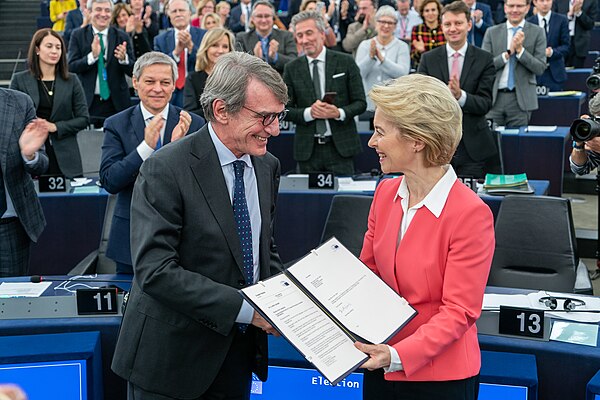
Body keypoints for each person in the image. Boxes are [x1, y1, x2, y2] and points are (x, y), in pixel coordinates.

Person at [111, 51, 287, 399]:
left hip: (236, 357)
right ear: (221, 110)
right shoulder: (167, 168)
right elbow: (156, 270)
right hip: (171, 362)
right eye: (265, 117)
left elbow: (262, 248)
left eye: (279, 116)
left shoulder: (268, 166)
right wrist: (248, 311)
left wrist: (290, 298)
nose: (276, 130)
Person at [355, 73, 495, 400]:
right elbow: (367, 276)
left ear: (417, 140)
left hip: (439, 380)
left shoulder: (470, 213)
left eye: (380, 132)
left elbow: (459, 312)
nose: (372, 142)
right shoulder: (385, 193)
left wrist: (397, 356)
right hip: (378, 363)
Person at [100, 52, 205, 274]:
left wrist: (177, 148)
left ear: (174, 85)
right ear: (136, 83)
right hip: (131, 236)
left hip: (184, 236)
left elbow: (204, 182)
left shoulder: (194, 124)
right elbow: (110, 180)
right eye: (150, 81)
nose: (157, 88)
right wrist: (146, 148)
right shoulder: (116, 124)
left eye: (165, 82)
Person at [419, 0, 496, 178]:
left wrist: (460, 96)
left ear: (469, 25)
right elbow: (420, 101)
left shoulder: (484, 59)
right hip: (436, 147)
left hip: (473, 148)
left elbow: (485, 103)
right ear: (442, 27)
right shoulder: (428, 59)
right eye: (447, 24)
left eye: (458, 23)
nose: (453, 28)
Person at [284, 11, 367, 175]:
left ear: (322, 34)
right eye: (299, 35)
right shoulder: (291, 68)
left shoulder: (346, 62)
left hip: (341, 148)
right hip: (307, 151)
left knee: (342, 199)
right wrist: (309, 113)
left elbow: (360, 102)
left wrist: (339, 112)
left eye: (309, 33)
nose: (304, 40)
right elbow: (284, 109)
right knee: (307, 201)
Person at [10, 29, 89, 179]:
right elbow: (12, 119)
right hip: (32, 154)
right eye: (49, 46)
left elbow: (83, 118)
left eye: (58, 48)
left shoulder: (72, 80)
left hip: (66, 156)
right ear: (38, 50)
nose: (55, 51)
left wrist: (55, 127)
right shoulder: (19, 80)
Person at [0, 88, 49, 277]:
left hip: (9, 225)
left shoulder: (19, 103)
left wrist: (29, 154)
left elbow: (41, 164)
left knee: (11, 300)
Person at [68, 0, 135, 127]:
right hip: (88, 101)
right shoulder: (78, 35)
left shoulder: (122, 36)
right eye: (98, 9)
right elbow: (71, 66)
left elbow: (133, 71)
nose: (103, 14)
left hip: (116, 103)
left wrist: (123, 59)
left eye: (107, 10)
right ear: (89, 12)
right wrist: (92, 57)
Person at [482, 0, 546, 127]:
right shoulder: (492, 32)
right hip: (494, 98)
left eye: (519, 6)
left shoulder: (538, 32)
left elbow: (540, 68)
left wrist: (520, 51)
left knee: (517, 145)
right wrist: (508, 53)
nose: (515, 10)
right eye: (511, 6)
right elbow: (485, 66)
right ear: (505, 8)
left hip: (521, 101)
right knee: (492, 143)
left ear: (527, 8)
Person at [356, 6, 410, 112]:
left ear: (395, 26)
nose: (386, 26)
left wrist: (382, 60)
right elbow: (358, 74)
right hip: (368, 104)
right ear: (376, 23)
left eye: (390, 23)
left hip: (393, 104)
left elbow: (403, 74)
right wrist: (370, 57)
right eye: (382, 22)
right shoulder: (365, 45)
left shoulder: (402, 46)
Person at [153, 0, 207, 107]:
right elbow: (157, 68)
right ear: (169, 15)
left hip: (198, 92)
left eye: (181, 10)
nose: (178, 14)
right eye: (174, 11)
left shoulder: (204, 35)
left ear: (189, 13)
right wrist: (176, 53)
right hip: (170, 93)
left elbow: (207, 63)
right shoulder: (160, 40)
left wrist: (191, 47)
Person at [235, 1, 298, 74]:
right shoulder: (242, 38)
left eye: (267, 16)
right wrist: (255, 59)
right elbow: (238, 65)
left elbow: (294, 62)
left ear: (273, 18)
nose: (263, 20)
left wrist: (275, 57)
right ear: (252, 18)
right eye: (259, 16)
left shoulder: (286, 36)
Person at [183, 28, 234, 117]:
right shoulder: (193, 78)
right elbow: (190, 114)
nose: (220, 50)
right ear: (206, 48)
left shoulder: (236, 78)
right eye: (215, 45)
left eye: (225, 46)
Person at [527, 0, 570, 91]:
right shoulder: (528, 23)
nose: (545, 3)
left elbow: (566, 47)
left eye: (548, 0)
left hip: (555, 74)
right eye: (542, 0)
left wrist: (551, 52)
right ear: (535, 2)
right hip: (534, 75)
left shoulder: (561, 20)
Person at [553, 0, 597, 68]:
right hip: (560, 43)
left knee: (577, 75)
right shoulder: (558, 1)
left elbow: (590, 25)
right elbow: (554, 21)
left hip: (579, 46)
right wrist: (569, 15)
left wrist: (579, 13)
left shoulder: (591, 1)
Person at [410, 0, 446, 69]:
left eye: (433, 10)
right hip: (424, 68)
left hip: (443, 68)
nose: (430, 13)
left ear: (438, 11)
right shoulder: (416, 29)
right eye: (427, 11)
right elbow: (413, 57)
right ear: (422, 13)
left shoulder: (445, 28)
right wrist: (420, 51)